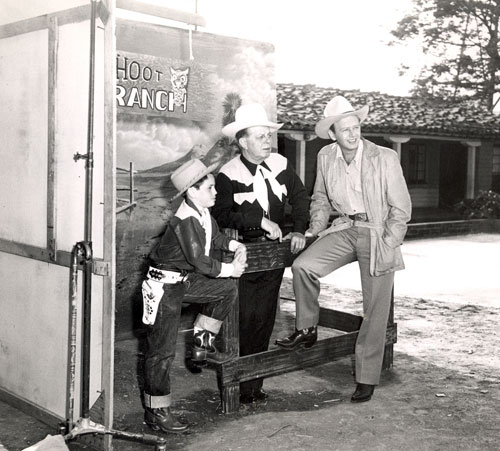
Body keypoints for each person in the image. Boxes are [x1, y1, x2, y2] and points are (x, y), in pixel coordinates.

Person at [276, 95, 412, 403]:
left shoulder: (385, 157)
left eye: (356, 127)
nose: (353, 134)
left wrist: (390, 242)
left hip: (378, 232)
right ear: (333, 133)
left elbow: (401, 208)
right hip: (346, 228)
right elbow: (321, 198)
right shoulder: (326, 156)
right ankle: (307, 328)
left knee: (375, 309)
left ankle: (366, 376)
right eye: (345, 129)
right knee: (303, 266)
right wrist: (314, 228)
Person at [212, 103, 310, 404]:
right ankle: (236, 384)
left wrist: (298, 230)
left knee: (265, 318)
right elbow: (222, 215)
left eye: (269, 135)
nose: (268, 141)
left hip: (274, 255)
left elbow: (300, 197)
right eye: (260, 136)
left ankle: (253, 388)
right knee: (243, 319)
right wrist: (259, 220)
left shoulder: (281, 164)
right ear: (242, 142)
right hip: (243, 255)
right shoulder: (227, 174)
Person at [141, 158, 247, 433]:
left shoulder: (201, 212)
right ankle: (157, 412)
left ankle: (201, 344)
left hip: (183, 281)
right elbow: (200, 260)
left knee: (225, 291)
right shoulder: (184, 220)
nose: (215, 192)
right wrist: (231, 268)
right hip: (163, 288)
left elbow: (214, 238)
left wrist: (233, 243)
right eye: (210, 188)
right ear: (192, 192)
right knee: (161, 352)